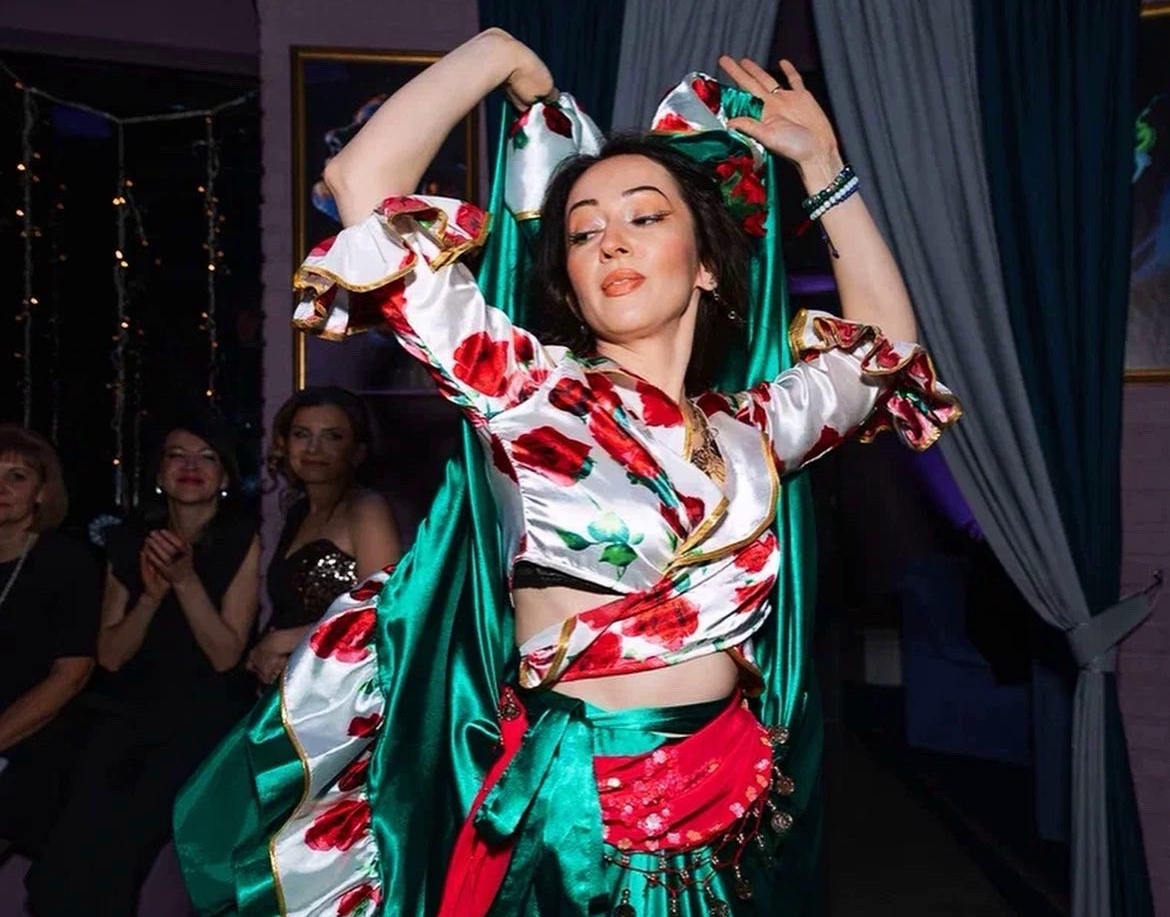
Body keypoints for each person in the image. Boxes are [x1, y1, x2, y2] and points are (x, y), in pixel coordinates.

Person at [176, 29, 960, 917]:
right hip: (578, 817)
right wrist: (497, 54)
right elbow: (361, 182)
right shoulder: (525, 389)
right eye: (584, 232)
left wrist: (822, 165)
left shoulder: (753, 429)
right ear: (573, 282)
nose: (611, 242)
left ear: (707, 265)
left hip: (732, 803)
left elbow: (884, 352)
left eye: (644, 218)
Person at [24, 416, 260, 916]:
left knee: (117, 854)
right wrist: (150, 598)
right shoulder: (130, 538)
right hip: (124, 711)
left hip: (201, 716)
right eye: (178, 455)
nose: (191, 466)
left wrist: (185, 581)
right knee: (61, 863)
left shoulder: (240, 536)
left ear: (225, 476)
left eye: (207, 457)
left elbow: (225, 656)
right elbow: (110, 654)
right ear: (158, 472)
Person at [247, 386, 402, 685]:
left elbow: (383, 612)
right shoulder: (299, 512)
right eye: (301, 435)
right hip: (289, 687)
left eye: (333, 437)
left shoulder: (367, 509)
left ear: (358, 451)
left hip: (341, 692)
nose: (313, 449)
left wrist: (282, 641)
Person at [0, 425, 100, 857]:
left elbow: (70, 676)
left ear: (41, 493)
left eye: (16, 476)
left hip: (34, 737)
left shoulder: (65, 561)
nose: (1, 487)